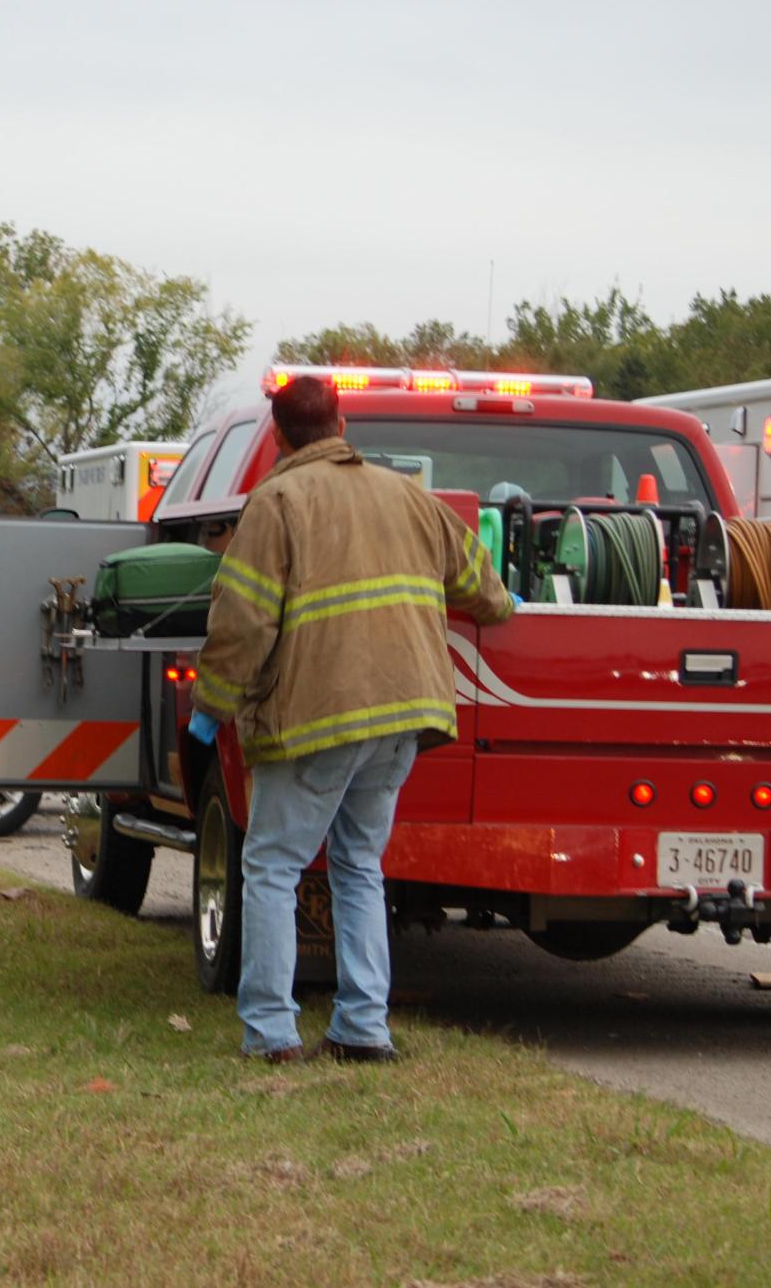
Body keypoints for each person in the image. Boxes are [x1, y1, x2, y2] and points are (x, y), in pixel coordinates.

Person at [189, 376, 516, 1064]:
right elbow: (486, 593)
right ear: (342, 426)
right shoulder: (409, 496)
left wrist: (211, 706)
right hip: (404, 714)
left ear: (279, 436)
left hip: (315, 716)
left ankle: (271, 1033)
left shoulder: (277, 502)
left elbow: (242, 619)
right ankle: (364, 1027)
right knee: (360, 863)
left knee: (272, 865)